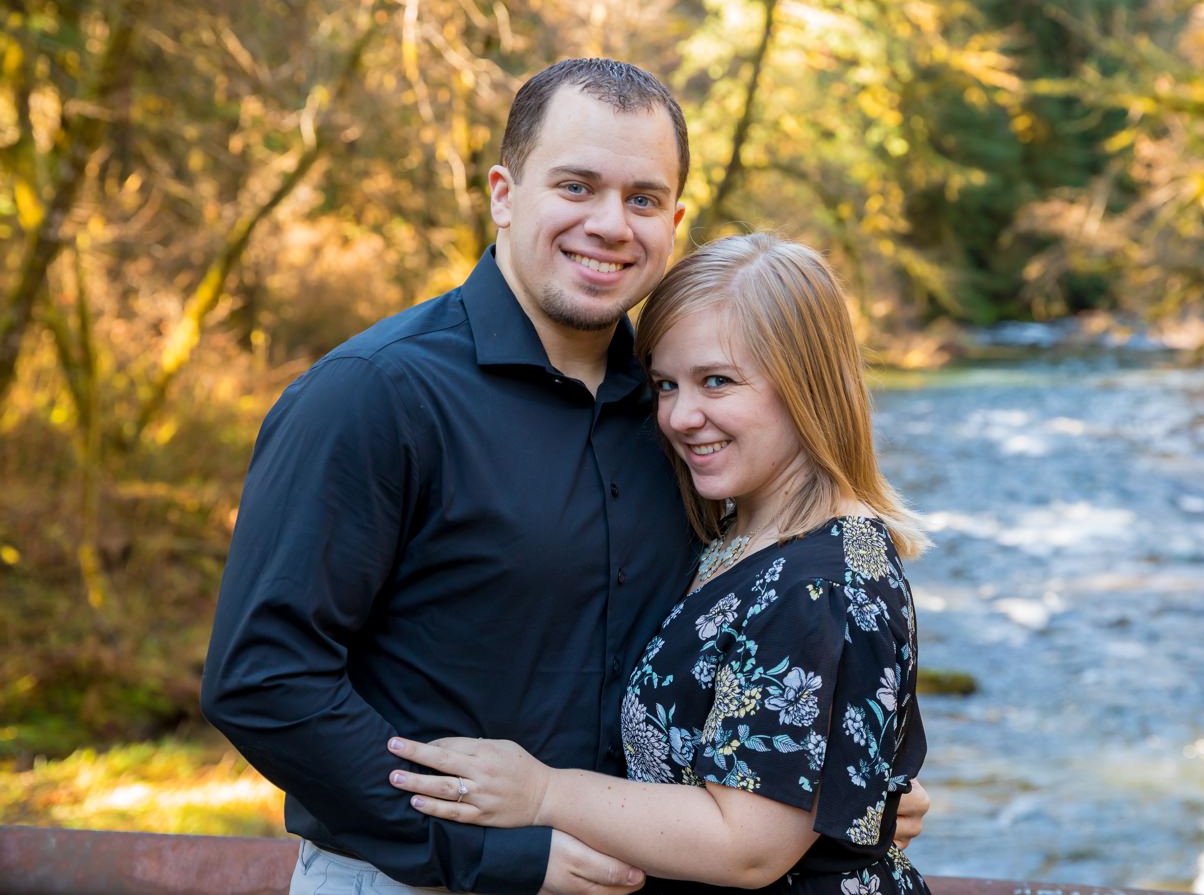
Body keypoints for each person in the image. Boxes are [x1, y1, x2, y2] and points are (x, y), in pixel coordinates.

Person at [200, 59, 927, 895]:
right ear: (505, 194)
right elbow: (263, 679)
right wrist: (497, 856)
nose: (611, 223)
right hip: (418, 878)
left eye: (643, 198)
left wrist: (842, 776)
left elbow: (779, 627)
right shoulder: (376, 394)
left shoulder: (681, 419)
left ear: (676, 219)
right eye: (576, 186)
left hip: (635, 873)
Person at [385, 233, 933, 894]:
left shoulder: (822, 583)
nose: (679, 416)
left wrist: (542, 793)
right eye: (665, 384)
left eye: (716, 381)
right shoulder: (736, 533)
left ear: (806, 382)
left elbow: (747, 846)